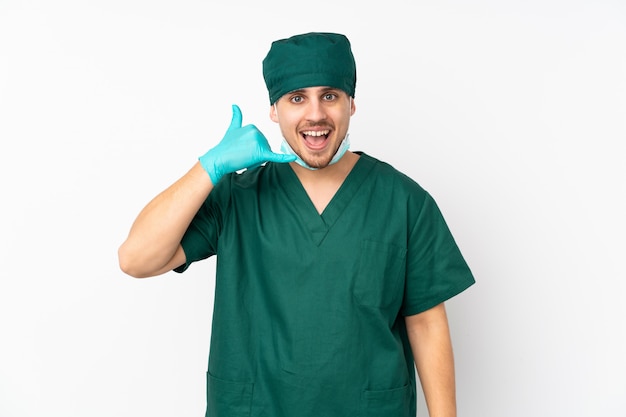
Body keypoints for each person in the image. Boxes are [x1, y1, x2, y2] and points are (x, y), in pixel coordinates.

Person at [118, 32, 475, 417]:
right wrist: (209, 167)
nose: (316, 114)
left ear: (351, 103)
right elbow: (136, 259)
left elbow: (425, 323)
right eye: (297, 98)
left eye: (330, 95)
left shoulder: (404, 201)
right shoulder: (237, 197)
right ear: (274, 110)